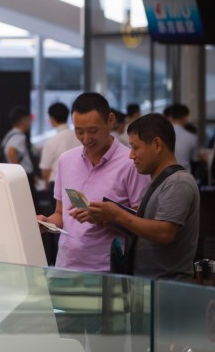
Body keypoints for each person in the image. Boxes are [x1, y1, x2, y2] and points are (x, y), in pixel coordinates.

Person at [78, 113, 199, 280]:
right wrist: (107, 218)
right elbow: (143, 225)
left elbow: (165, 232)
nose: (131, 155)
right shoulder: (156, 181)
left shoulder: (178, 182)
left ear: (157, 144)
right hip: (148, 283)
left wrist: (118, 214)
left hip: (168, 285)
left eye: (135, 148)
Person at [38, 92, 149, 272]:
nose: (86, 139)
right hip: (65, 267)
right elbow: (60, 214)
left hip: (107, 272)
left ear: (110, 120)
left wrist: (107, 217)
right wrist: (46, 223)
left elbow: (142, 224)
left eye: (93, 131)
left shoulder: (131, 163)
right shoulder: (66, 160)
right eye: (79, 131)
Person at [38, 102, 80, 188]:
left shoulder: (51, 142)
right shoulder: (80, 138)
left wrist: (46, 185)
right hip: (78, 183)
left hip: (56, 184)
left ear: (52, 119)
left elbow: (46, 170)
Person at [2, 107, 34, 178]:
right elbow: (11, 151)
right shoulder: (19, 136)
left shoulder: (10, 134)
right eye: (29, 120)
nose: (30, 123)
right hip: (23, 175)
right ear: (24, 120)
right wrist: (17, 173)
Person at [168, 103, 198, 170]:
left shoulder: (162, 133)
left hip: (165, 174)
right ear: (185, 117)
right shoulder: (192, 137)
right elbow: (195, 160)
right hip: (185, 173)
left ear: (171, 117)